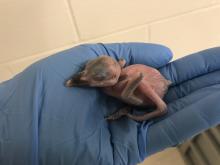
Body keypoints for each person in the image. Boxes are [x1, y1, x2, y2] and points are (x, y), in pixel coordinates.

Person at [0, 43, 220, 165]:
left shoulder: (130, 80)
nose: (85, 79)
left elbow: (161, 108)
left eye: (96, 80)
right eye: (85, 74)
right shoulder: (110, 76)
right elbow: (92, 76)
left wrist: (133, 112)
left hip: (145, 90)